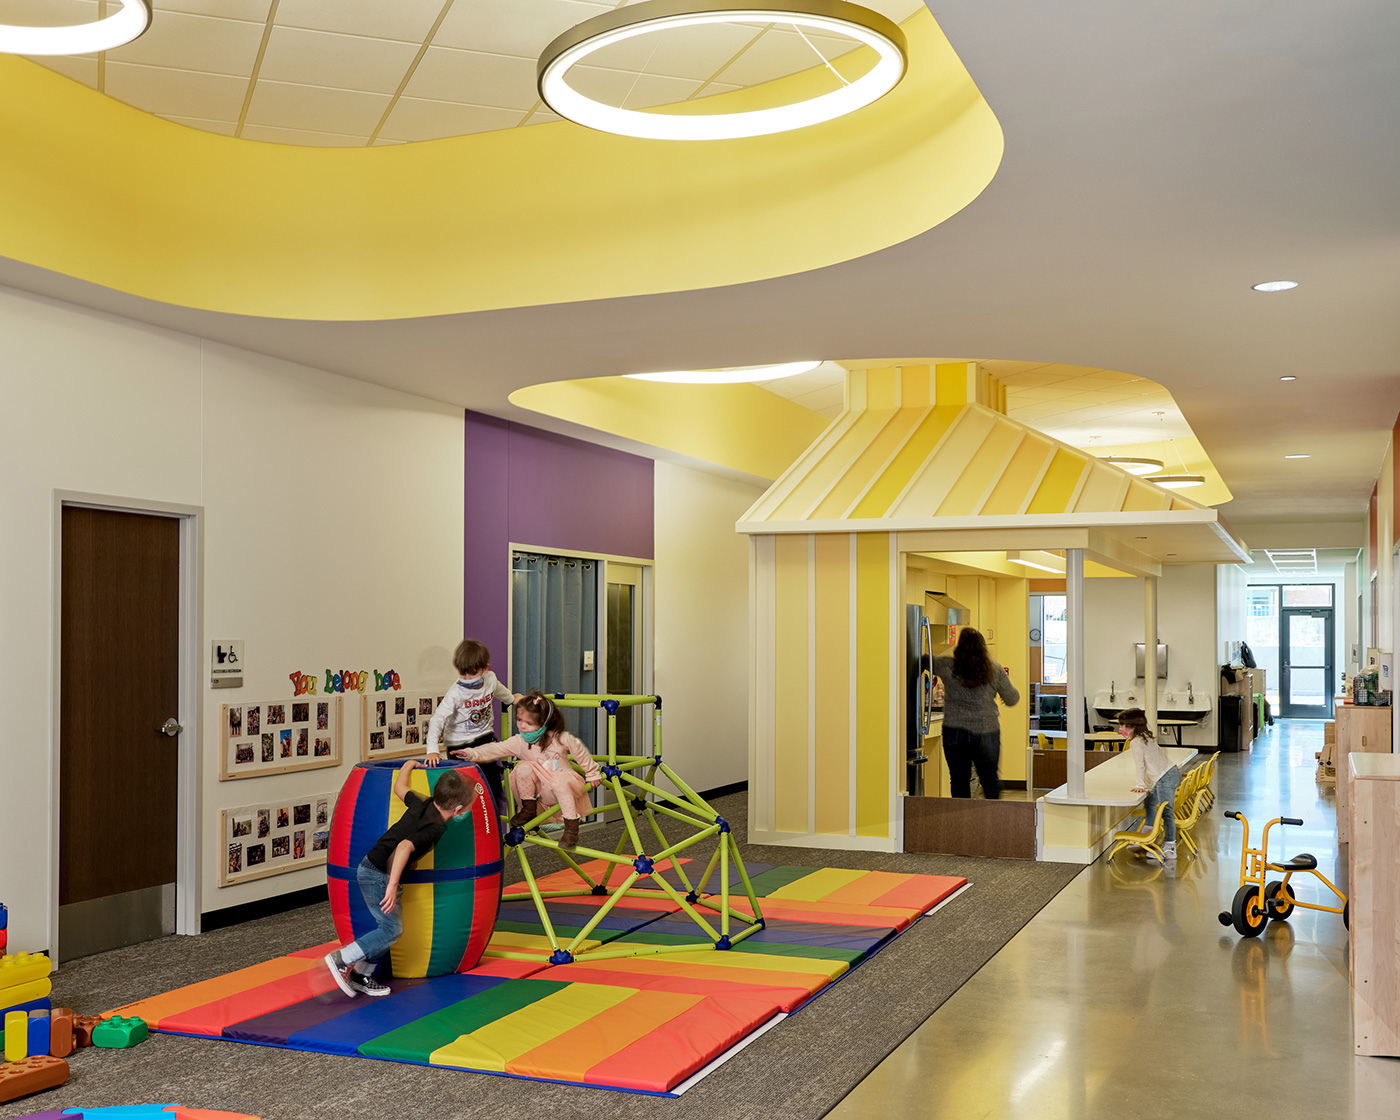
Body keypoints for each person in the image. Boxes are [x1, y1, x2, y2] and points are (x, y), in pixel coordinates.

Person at [324, 760, 478, 998]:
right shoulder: (436, 827)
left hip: (375, 869)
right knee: (391, 930)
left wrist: (408, 764)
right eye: (467, 809)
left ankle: (361, 975)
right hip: (379, 875)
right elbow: (404, 848)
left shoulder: (423, 802)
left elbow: (399, 788)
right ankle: (342, 958)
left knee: (388, 929)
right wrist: (391, 885)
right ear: (457, 810)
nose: (466, 813)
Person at [453, 691, 601, 850]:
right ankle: (529, 809)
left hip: (563, 784)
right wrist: (471, 753)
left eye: (529, 723)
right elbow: (496, 748)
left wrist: (592, 773)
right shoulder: (520, 741)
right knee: (522, 767)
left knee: (559, 781)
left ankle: (572, 828)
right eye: (519, 720)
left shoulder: (559, 738)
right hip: (540, 789)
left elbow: (579, 750)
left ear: (545, 723)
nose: (522, 726)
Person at [425, 639, 522, 811]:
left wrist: (512, 699)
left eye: (472, 673)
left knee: (492, 782)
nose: (467, 679)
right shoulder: (456, 692)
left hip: (485, 736)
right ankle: (467, 821)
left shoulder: (490, 679)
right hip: (459, 742)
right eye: (463, 674)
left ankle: (491, 820)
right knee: (465, 786)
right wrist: (432, 749)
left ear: (486, 669)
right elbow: (437, 719)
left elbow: (498, 690)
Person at [932, 627, 1019, 799]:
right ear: (983, 647)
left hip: (954, 730)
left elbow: (920, 660)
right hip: (987, 730)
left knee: (958, 780)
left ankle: (961, 822)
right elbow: (1012, 699)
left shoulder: (947, 665)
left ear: (960, 646)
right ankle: (992, 820)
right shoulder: (995, 669)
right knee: (989, 780)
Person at [1118, 706, 1179, 861]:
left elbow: (1140, 765)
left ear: (1132, 727)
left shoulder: (1136, 743)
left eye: (1122, 726)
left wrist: (1140, 785)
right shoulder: (1145, 736)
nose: (1120, 729)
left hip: (1164, 777)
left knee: (1166, 812)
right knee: (1150, 802)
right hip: (1168, 773)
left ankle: (1170, 848)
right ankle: (1148, 835)